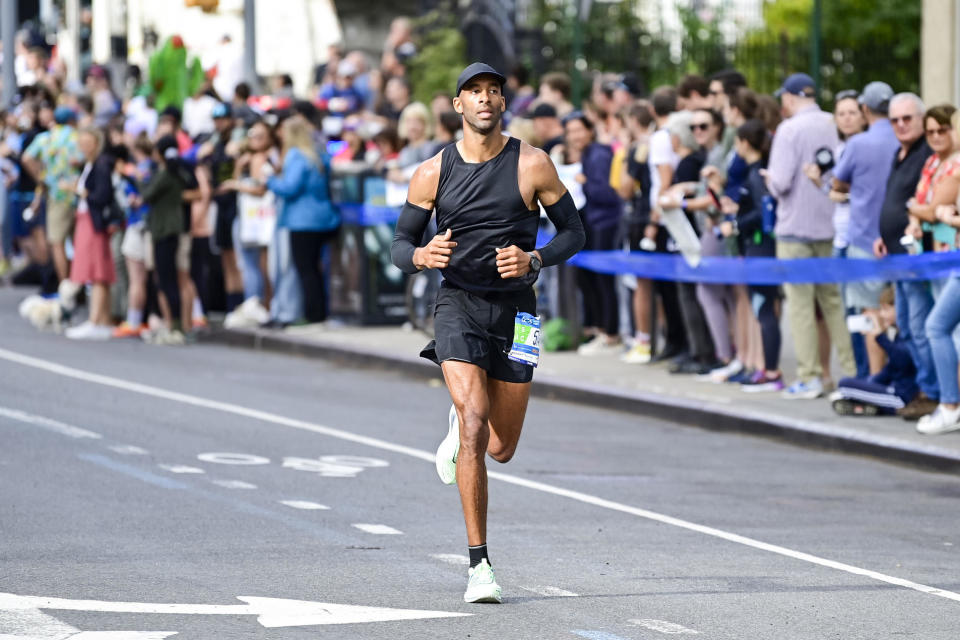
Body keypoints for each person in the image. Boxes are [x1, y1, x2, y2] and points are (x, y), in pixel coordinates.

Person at [390, 62, 584, 603]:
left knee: (501, 447)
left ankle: (461, 420)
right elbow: (400, 245)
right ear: (457, 105)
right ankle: (480, 566)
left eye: (493, 91)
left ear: (502, 104)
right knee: (476, 427)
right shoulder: (432, 172)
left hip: (520, 315)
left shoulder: (533, 163)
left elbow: (574, 231)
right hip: (458, 305)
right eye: (473, 92)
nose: (484, 99)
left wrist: (536, 258)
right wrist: (423, 255)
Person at [765, 73, 855, 398]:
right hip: (829, 226)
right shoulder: (833, 123)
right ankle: (852, 373)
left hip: (794, 229)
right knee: (833, 302)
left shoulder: (789, 130)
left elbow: (781, 182)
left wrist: (767, 179)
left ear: (789, 98)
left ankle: (811, 376)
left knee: (801, 306)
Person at [874, 93, 936, 420]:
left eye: (907, 119)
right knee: (909, 329)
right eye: (894, 120)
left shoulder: (927, 152)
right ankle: (920, 389)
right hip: (896, 255)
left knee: (922, 326)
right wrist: (881, 236)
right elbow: (894, 199)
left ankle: (933, 393)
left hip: (917, 257)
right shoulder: (900, 153)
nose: (900, 125)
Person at [830, 82, 898, 375]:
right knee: (897, 315)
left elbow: (837, 182)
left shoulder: (858, 144)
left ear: (865, 110)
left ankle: (871, 379)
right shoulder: (902, 140)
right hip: (897, 241)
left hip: (863, 239)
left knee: (867, 315)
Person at [724, 119, 784, 391]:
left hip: (760, 249)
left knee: (764, 308)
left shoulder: (756, 174)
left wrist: (736, 224)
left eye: (737, 142)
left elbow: (763, 213)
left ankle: (771, 372)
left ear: (745, 143)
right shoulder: (754, 172)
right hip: (755, 247)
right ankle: (765, 368)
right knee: (762, 308)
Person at [557, 111, 621, 355]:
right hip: (592, 223)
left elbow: (607, 193)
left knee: (604, 280)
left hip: (604, 224)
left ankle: (610, 333)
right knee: (590, 280)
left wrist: (584, 182)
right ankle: (596, 329)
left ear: (590, 130)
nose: (574, 136)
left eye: (578, 130)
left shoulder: (599, 154)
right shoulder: (587, 154)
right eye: (570, 131)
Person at [267, 116, 341, 324]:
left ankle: (312, 314)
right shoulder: (319, 155)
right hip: (323, 219)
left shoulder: (296, 156)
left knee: (305, 270)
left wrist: (270, 179)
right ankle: (320, 311)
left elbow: (289, 188)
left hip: (302, 221)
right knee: (315, 269)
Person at [64, 128, 117, 340]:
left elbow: (102, 195)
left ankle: (95, 321)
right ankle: (103, 320)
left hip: (94, 223)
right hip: (87, 220)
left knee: (96, 272)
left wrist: (80, 191)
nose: (84, 147)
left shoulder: (101, 165)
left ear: (96, 143)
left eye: (88, 143)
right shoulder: (88, 165)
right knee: (97, 272)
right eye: (82, 143)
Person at [831, 287, 917, 416]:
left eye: (886, 309)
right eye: (881, 309)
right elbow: (890, 369)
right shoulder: (899, 334)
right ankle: (866, 405)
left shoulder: (909, 335)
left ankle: (873, 405)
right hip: (893, 390)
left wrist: (880, 336)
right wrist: (870, 383)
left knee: (845, 385)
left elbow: (902, 359)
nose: (882, 314)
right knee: (852, 384)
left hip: (901, 396)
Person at [22, 106, 81, 285]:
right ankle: (80, 284)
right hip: (79, 194)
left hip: (57, 195)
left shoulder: (46, 138)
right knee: (78, 242)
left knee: (57, 243)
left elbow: (26, 158)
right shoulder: (76, 135)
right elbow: (81, 159)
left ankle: (65, 285)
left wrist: (42, 178)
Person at [138, 135, 187, 345]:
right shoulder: (176, 172)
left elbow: (147, 194)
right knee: (167, 279)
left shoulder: (166, 174)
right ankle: (172, 324)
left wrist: (138, 178)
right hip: (168, 229)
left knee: (168, 280)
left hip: (164, 230)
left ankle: (175, 325)